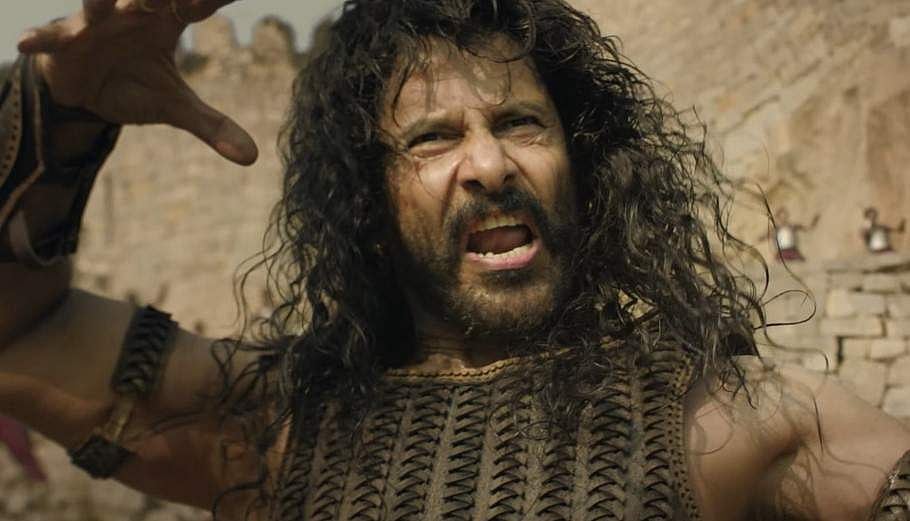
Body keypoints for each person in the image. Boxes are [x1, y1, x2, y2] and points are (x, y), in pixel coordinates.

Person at [1, 1, 909, 520]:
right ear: (369, 203)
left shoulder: (725, 419)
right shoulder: (278, 424)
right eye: (433, 138)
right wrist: (59, 116)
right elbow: (18, 337)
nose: (490, 163)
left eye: (520, 122)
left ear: (585, 166)